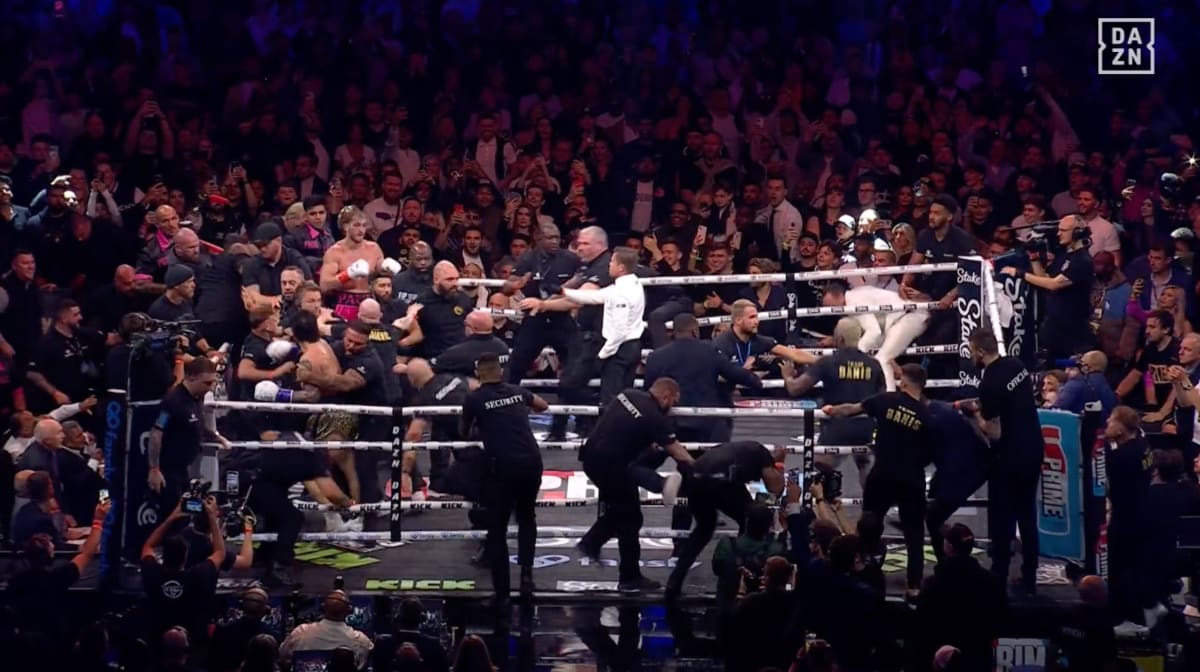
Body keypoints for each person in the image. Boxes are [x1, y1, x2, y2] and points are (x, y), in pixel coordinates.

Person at [822, 362, 936, 597]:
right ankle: (913, 587)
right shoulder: (927, 415)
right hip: (911, 479)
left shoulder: (886, 400)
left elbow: (851, 409)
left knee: (868, 526)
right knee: (914, 536)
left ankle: (859, 574)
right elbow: (931, 453)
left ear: (903, 382)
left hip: (883, 474)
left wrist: (831, 410)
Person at [576, 379, 695, 593]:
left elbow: (627, 428)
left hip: (591, 458)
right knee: (630, 517)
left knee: (623, 512)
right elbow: (677, 452)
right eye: (674, 402)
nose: (673, 407)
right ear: (666, 396)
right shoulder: (655, 418)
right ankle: (623, 572)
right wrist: (700, 469)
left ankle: (598, 548)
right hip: (613, 468)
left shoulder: (628, 394)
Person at [461, 353, 549, 603]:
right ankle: (526, 577)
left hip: (504, 466)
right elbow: (543, 405)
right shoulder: (516, 391)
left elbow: (463, 432)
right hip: (531, 462)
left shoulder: (475, 398)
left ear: (478, 375)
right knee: (527, 517)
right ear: (500, 372)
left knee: (497, 528)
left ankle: (502, 593)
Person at [966, 327, 1044, 594]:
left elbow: (994, 433)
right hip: (1033, 447)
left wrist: (975, 415)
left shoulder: (989, 383)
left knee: (1002, 517)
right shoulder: (1016, 364)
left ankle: (998, 577)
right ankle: (1030, 576)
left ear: (980, 351)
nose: (971, 356)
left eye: (971, 351)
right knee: (1027, 514)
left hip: (1010, 456)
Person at [665, 441, 785, 600]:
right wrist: (779, 464)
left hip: (696, 477)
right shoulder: (761, 455)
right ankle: (743, 577)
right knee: (752, 519)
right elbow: (776, 488)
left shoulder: (741, 451)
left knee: (703, 529)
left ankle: (674, 582)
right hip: (721, 478)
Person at [782, 317, 884, 489]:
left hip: (837, 425)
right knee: (865, 465)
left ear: (839, 339)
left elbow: (795, 389)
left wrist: (787, 376)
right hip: (865, 426)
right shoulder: (874, 364)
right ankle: (872, 503)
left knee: (821, 465)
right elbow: (882, 398)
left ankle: (824, 497)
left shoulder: (828, 362)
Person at [914, 523, 1007, 671]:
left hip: (944, 656)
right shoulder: (991, 582)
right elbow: (1001, 616)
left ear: (949, 547)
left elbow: (922, 619)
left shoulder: (934, 583)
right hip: (978, 656)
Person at [1001, 215, 1095, 358]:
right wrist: (1034, 257)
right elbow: (1045, 278)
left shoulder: (1082, 260)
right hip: (1054, 325)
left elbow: (1054, 284)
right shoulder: (1064, 255)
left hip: (1072, 330)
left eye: (1063, 230)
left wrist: (1021, 274)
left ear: (1077, 232)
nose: (1058, 234)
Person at [502, 223, 578, 389]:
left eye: (557, 237)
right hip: (535, 319)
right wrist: (517, 284)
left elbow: (582, 281)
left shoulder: (570, 259)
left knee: (575, 364)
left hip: (561, 318)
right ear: (539, 239)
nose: (555, 241)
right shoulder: (528, 258)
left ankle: (569, 403)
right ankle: (505, 398)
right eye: (550, 238)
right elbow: (506, 288)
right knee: (516, 365)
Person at [139, 497, 225, 640]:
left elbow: (148, 546)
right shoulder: (197, 575)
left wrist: (171, 517)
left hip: (157, 640)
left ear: (163, 555)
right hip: (192, 641)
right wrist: (212, 516)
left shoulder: (153, 573)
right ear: (185, 556)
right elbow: (220, 553)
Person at [820, 281, 929, 391]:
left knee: (882, 359)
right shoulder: (856, 295)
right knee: (881, 357)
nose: (831, 310)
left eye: (830, 306)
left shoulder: (854, 302)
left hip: (910, 315)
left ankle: (888, 397)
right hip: (902, 317)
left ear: (839, 296)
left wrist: (857, 353)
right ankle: (886, 393)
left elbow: (874, 331)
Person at [147, 358, 226, 509]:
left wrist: (217, 437)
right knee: (173, 514)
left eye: (213, 383)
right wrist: (154, 469)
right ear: (191, 377)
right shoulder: (173, 401)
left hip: (184, 471)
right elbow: (156, 433)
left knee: (189, 511)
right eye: (207, 383)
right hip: (168, 472)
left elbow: (196, 424)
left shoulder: (196, 399)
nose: (210, 388)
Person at [1103, 406, 1153, 622]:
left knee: (1118, 567)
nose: (1107, 422)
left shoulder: (1123, 456)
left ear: (1121, 429)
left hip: (1126, 518)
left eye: (1112, 420)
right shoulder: (1142, 444)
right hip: (1141, 513)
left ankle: (1120, 616)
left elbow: (1106, 463)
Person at [925, 400, 989, 562]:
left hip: (964, 471)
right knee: (932, 500)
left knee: (933, 519)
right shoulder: (938, 407)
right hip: (975, 463)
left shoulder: (928, 421)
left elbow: (923, 458)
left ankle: (948, 562)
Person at [319, 205, 391, 322]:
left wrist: (387, 270)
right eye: (356, 225)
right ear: (345, 227)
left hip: (369, 302)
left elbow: (381, 273)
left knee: (374, 333)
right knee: (348, 333)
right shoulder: (334, 252)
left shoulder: (374, 248)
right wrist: (348, 274)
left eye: (364, 225)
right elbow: (324, 285)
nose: (361, 230)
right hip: (344, 304)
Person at [279, 590, 373, 670]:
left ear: (322, 608)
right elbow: (367, 661)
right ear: (349, 611)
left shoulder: (300, 633)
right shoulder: (360, 640)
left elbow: (282, 655)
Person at [431, 310, 511, 377]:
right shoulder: (503, 346)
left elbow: (434, 367)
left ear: (470, 328)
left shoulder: (459, 352)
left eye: (465, 324)